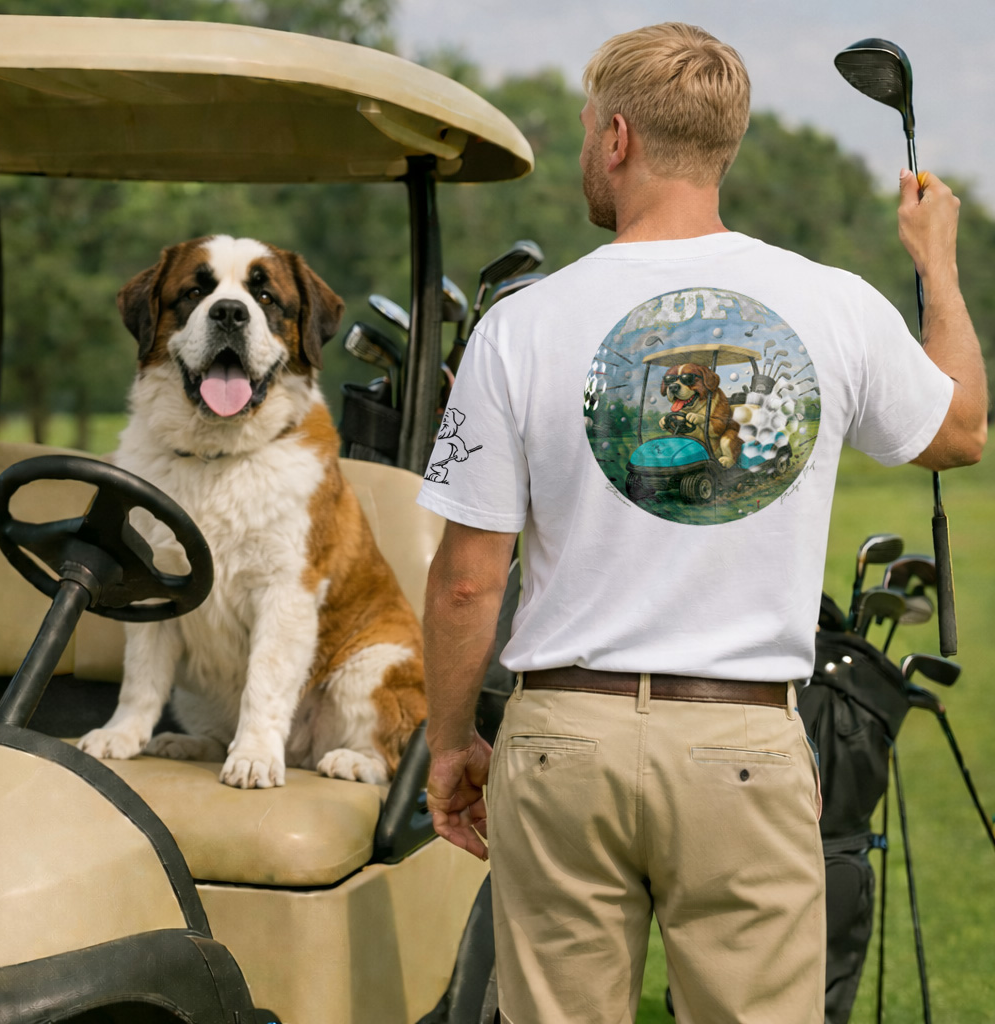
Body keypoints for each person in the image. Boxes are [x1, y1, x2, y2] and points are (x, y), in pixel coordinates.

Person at [416, 22, 987, 1024]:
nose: (589, 147)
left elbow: (469, 579)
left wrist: (453, 742)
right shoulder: (835, 305)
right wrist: (935, 264)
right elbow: (961, 430)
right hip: (744, 742)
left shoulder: (522, 326)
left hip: (560, 743)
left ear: (619, 138)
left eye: (590, 128)